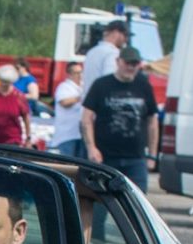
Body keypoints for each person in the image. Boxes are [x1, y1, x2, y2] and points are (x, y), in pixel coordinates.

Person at [80, 45, 159, 191]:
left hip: (136, 158)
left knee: (137, 202)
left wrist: (152, 155)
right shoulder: (101, 85)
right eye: (127, 63)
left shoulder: (144, 85)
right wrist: (91, 148)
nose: (130, 67)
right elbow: (86, 118)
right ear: (118, 62)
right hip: (105, 157)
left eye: (134, 63)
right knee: (101, 201)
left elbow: (152, 122)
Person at [77, 19, 128, 108]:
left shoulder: (91, 52)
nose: (126, 40)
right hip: (103, 106)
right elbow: (110, 81)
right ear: (116, 33)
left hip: (87, 105)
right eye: (125, 35)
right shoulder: (113, 53)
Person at [49, 66, 85, 159]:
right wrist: (80, 97)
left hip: (80, 133)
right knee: (68, 161)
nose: (80, 75)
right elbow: (64, 102)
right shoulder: (64, 87)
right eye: (76, 73)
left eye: (81, 72)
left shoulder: (83, 87)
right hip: (67, 134)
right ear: (69, 74)